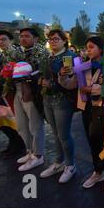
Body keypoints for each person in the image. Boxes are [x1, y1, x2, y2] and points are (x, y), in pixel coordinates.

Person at [59, 36, 104, 192]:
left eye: (91, 47)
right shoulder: (82, 67)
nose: (88, 50)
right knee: (92, 141)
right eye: (86, 48)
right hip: (87, 108)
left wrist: (91, 90)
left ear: (101, 48)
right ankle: (98, 171)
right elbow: (70, 85)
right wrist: (63, 74)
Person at [39, 30, 78, 183]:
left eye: (56, 39)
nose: (53, 41)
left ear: (64, 41)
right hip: (47, 98)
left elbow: (69, 82)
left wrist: (52, 83)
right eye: (50, 39)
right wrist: (41, 81)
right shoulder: (49, 57)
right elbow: (42, 75)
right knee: (55, 134)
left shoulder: (68, 57)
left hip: (62, 100)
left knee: (64, 135)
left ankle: (70, 165)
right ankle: (59, 162)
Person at [14, 28, 49, 172]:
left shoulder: (41, 53)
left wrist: (30, 76)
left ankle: (38, 155)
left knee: (35, 125)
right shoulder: (18, 53)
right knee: (21, 125)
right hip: (17, 90)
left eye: (27, 36)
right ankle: (30, 151)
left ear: (35, 39)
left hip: (31, 91)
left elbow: (43, 72)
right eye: (21, 36)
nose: (23, 39)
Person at [0, 30, 26, 158]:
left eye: (3, 39)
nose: (1, 42)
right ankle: (14, 143)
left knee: (15, 120)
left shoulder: (16, 53)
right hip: (5, 92)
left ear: (11, 40)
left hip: (15, 92)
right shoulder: (3, 55)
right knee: (7, 120)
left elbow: (21, 71)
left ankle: (19, 145)